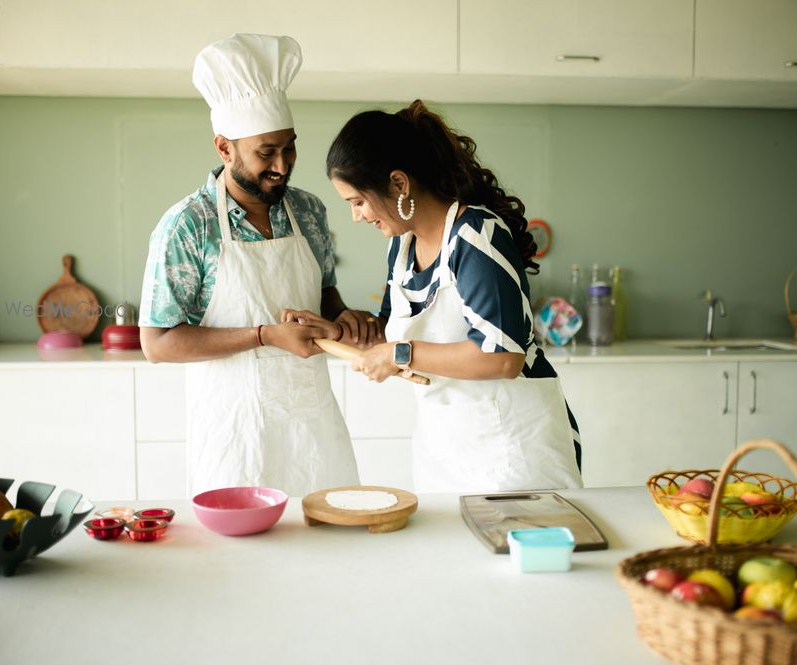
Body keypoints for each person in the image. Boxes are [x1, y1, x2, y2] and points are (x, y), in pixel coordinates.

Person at [139, 34, 377, 497]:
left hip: (313, 431)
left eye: (289, 148)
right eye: (265, 152)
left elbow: (327, 298)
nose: (283, 165)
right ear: (224, 148)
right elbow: (158, 342)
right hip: (235, 436)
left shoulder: (309, 211)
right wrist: (265, 335)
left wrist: (343, 321)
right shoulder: (189, 226)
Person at [325, 100, 583, 493]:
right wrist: (332, 329)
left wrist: (399, 354)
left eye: (357, 202)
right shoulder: (401, 247)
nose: (357, 216)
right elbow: (389, 337)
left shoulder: (476, 236)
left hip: (514, 450)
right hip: (444, 450)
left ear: (398, 183)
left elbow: (502, 357)